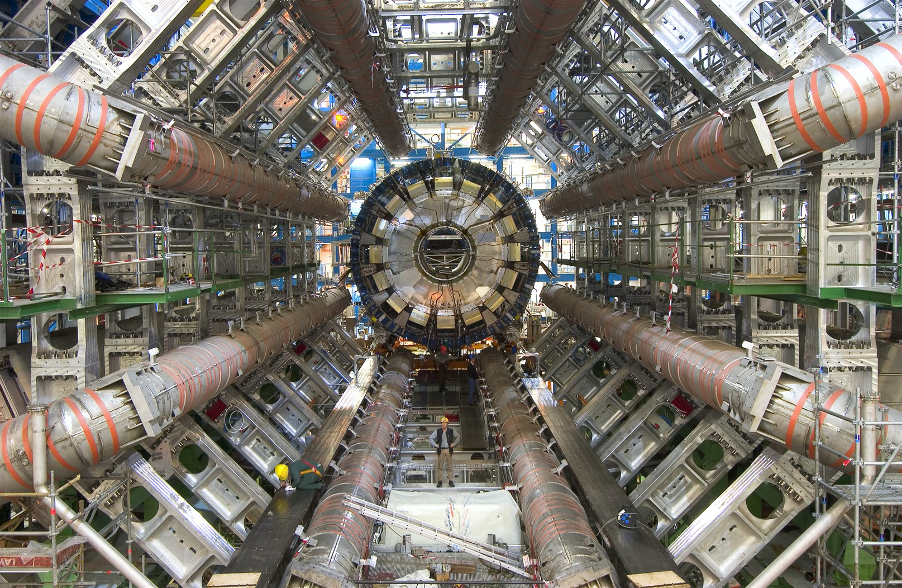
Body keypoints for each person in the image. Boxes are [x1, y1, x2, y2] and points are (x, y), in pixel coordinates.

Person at [429, 416, 455, 487]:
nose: (444, 424)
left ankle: (450, 480)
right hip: (441, 450)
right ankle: (440, 481)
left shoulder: (451, 431)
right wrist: (435, 445)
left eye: (445, 423)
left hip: (448, 449)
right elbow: (431, 437)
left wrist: (454, 444)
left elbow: (458, 436)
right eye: (442, 423)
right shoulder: (438, 431)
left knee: (449, 466)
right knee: (440, 466)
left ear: (447, 424)